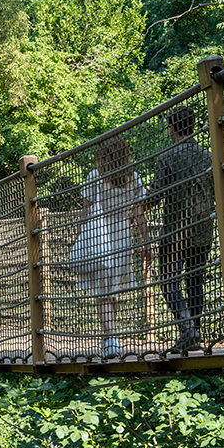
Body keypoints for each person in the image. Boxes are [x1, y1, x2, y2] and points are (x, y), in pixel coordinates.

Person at [70, 136, 150, 358]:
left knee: (103, 293)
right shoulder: (133, 178)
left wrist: (78, 236)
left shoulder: (94, 177)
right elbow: (139, 214)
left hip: (99, 238)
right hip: (123, 238)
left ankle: (111, 338)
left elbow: (85, 212)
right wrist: (146, 242)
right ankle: (110, 337)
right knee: (111, 291)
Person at [148, 106, 214, 352]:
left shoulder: (167, 157)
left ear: (172, 129)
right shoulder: (208, 155)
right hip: (203, 230)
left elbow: (155, 195)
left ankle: (188, 329)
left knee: (168, 280)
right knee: (195, 282)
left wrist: (136, 205)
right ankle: (195, 333)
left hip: (175, 233)